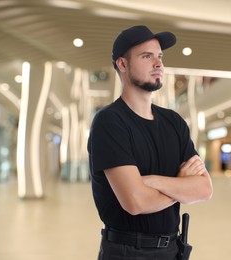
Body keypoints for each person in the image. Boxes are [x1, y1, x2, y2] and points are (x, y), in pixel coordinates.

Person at [87, 25, 213, 260]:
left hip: (172, 249)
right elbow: (136, 202)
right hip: (126, 252)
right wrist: (181, 186)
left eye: (160, 56)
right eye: (147, 56)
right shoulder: (110, 121)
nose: (158, 64)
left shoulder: (173, 122)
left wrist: (153, 182)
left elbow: (205, 189)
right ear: (122, 64)